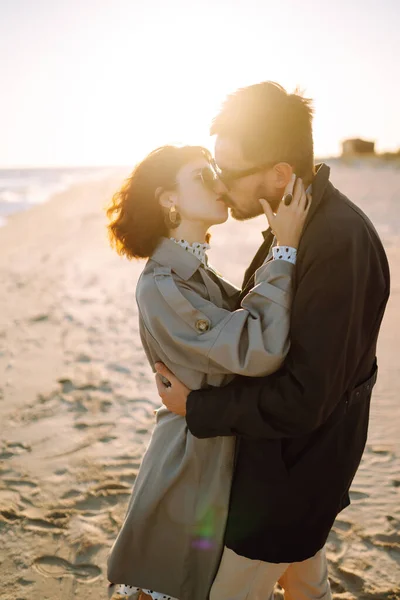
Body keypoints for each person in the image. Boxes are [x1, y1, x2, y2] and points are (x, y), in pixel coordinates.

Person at [155, 82, 391, 600]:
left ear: (279, 174)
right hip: (298, 471)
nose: (221, 186)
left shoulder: (334, 243)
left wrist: (198, 407)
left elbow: (304, 398)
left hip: (289, 479)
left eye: (229, 173)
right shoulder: (297, 223)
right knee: (308, 586)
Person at [105, 143, 310, 600]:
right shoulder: (163, 285)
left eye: (215, 173)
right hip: (192, 466)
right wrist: (287, 249)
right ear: (167, 199)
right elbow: (259, 347)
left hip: (218, 449)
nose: (219, 185)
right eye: (201, 177)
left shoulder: (196, 273)